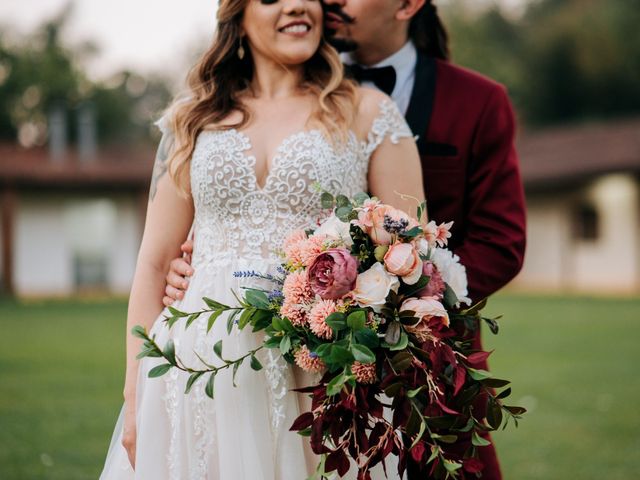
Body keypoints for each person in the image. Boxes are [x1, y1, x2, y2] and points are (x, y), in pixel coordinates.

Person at [163, 0, 527, 478]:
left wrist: (395, 298)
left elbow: (500, 241)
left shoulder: (476, 101)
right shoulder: (284, 59)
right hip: (253, 352)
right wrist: (201, 261)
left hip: (407, 358)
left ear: (407, 5)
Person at [99, 0, 425, 477]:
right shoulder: (194, 118)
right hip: (194, 373)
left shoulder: (367, 111)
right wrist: (135, 395)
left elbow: (411, 256)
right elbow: (152, 264)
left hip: (318, 374)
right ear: (238, 14)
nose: (296, 4)